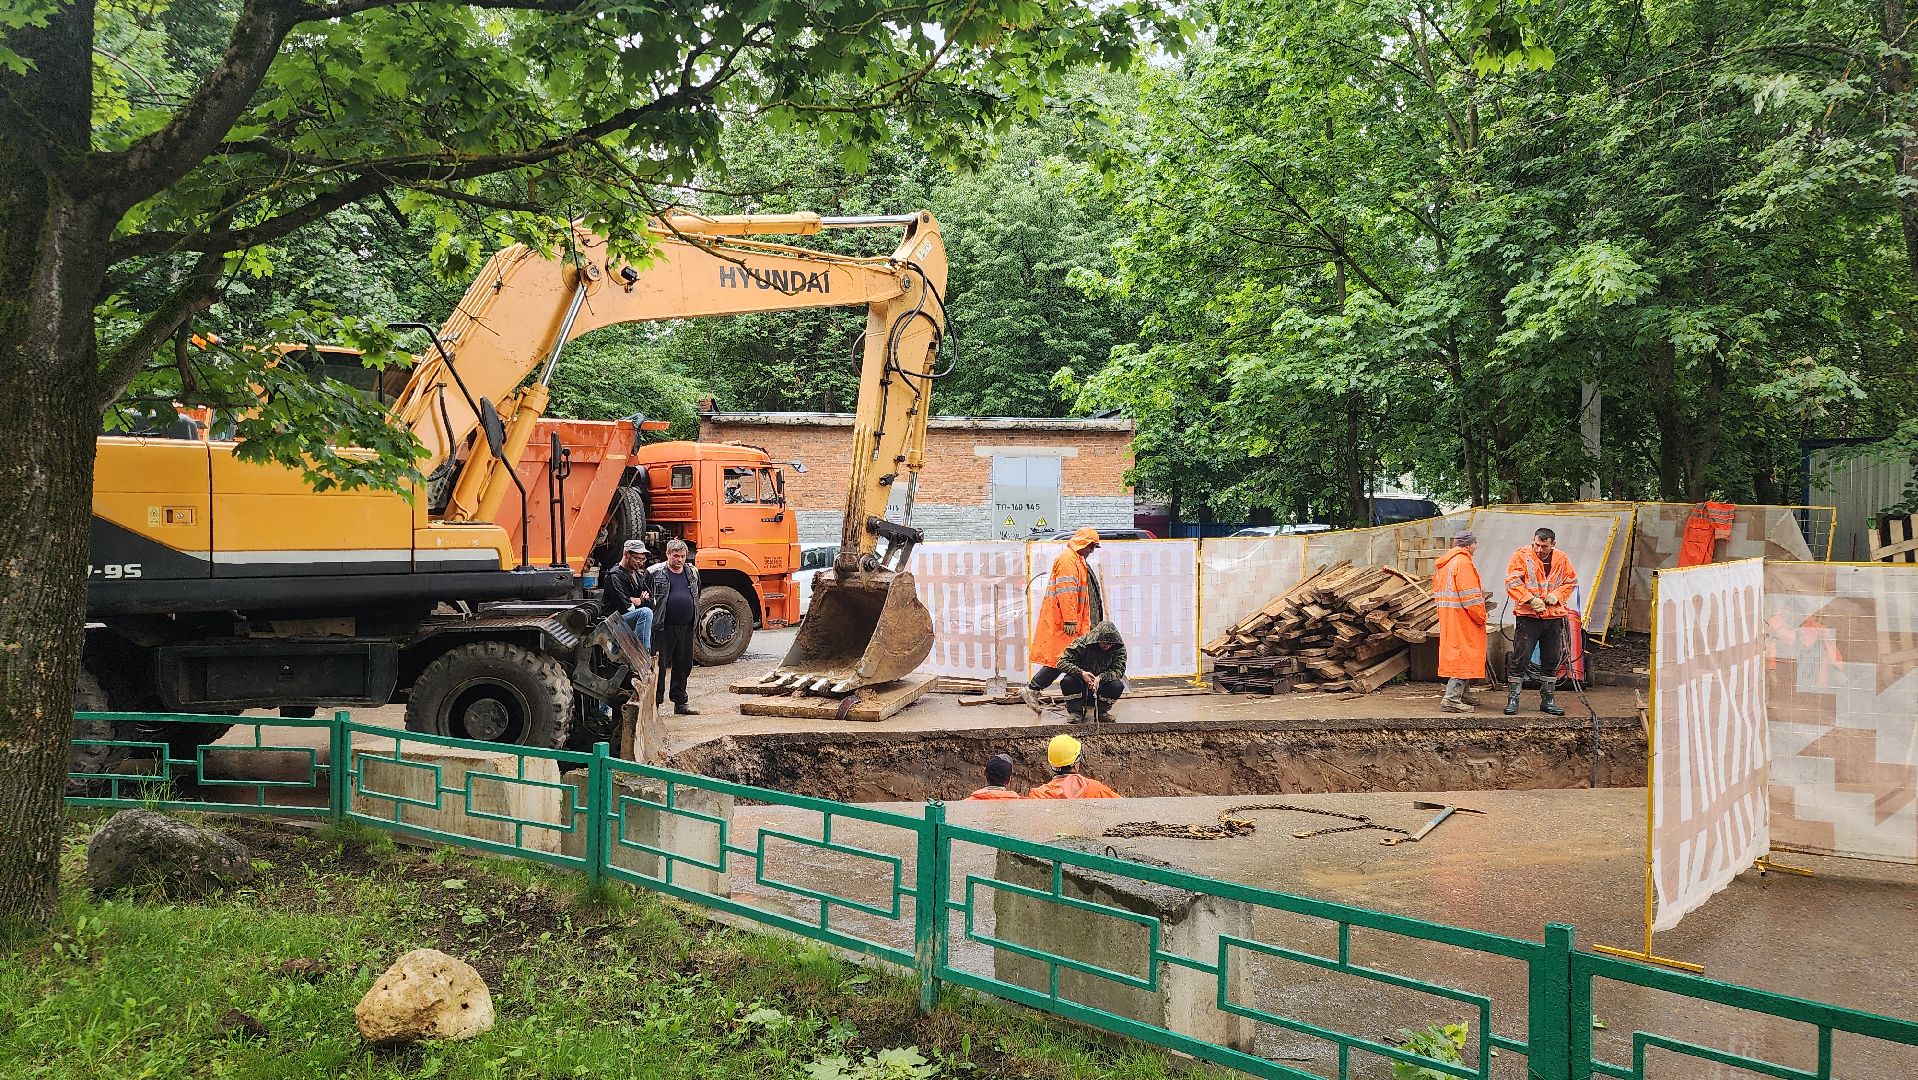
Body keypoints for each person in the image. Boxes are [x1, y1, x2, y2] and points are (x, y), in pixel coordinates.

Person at [1020, 527, 1105, 713]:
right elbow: (1067, 592)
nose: (1092, 550)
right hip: (1065, 623)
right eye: (1091, 546)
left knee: (1067, 658)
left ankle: (1040, 692)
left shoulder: (1076, 560)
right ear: (1082, 543)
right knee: (1063, 659)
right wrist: (1070, 620)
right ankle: (1033, 689)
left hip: (1071, 622)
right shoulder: (1068, 560)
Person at [1503, 527, 1578, 716]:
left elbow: (1570, 582)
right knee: (1521, 658)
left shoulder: (1561, 558)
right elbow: (1512, 582)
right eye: (1536, 545)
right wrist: (1530, 599)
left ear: (1553, 544)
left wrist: (1557, 595)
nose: (1539, 549)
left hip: (1553, 617)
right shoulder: (1522, 556)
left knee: (1551, 659)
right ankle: (1513, 700)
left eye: (1543, 546)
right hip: (1529, 617)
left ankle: (1548, 700)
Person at [1432, 532, 1488, 713]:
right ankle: (1452, 699)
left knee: (1458, 654)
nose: (1476, 547)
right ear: (1468, 545)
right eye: (1475, 543)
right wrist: (1481, 616)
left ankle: (1462, 693)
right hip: (1464, 618)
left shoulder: (1445, 563)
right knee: (1463, 656)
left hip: (1450, 617)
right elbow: (1471, 597)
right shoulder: (1463, 563)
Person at [647, 539, 701, 715]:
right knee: (659, 667)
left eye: (683, 556)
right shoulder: (654, 572)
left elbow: (696, 593)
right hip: (663, 627)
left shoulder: (692, 572)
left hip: (686, 626)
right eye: (676, 556)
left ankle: (680, 702)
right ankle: (654, 705)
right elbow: (646, 597)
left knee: (683, 665)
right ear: (668, 554)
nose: (679, 560)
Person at [1055, 621, 1126, 723]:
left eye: (1110, 643)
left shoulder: (1118, 648)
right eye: (1104, 642)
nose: (1107, 645)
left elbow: (1119, 670)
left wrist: (1101, 678)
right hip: (1081, 682)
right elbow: (1061, 663)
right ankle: (1076, 711)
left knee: (1117, 685)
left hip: (1102, 684)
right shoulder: (1082, 644)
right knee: (1068, 681)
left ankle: (1101, 712)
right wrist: (1081, 673)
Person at [597, 540, 654, 651]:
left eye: (643, 559)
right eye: (636, 558)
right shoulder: (614, 576)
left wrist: (639, 601)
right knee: (645, 613)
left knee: (649, 612)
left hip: (625, 621)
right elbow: (627, 608)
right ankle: (642, 651)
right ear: (626, 554)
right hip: (613, 622)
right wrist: (641, 602)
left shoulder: (637, 574)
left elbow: (653, 602)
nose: (640, 562)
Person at [1027, 734, 1120, 799]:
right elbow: (1123, 806)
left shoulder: (1038, 795)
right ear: (1076, 765)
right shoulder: (1095, 789)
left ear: (1051, 765)